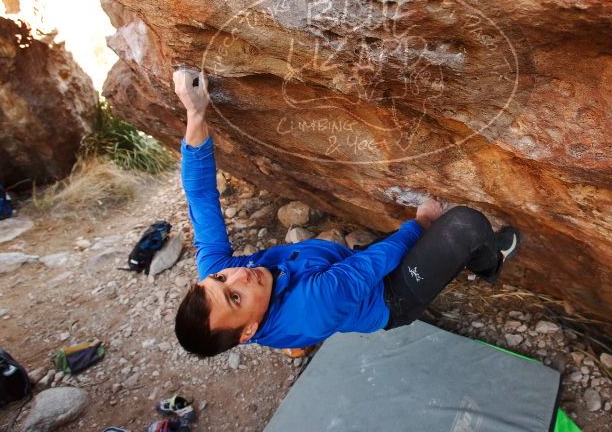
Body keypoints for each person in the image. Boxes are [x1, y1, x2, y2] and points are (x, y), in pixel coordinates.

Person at [173, 68, 521, 357]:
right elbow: (368, 267)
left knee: (391, 247)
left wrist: (195, 113)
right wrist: (421, 223)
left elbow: (201, 197)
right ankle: (489, 264)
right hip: (389, 296)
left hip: (341, 268)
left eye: (220, 279)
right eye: (235, 297)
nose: (238, 276)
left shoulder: (218, 274)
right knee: (464, 225)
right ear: (248, 330)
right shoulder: (311, 308)